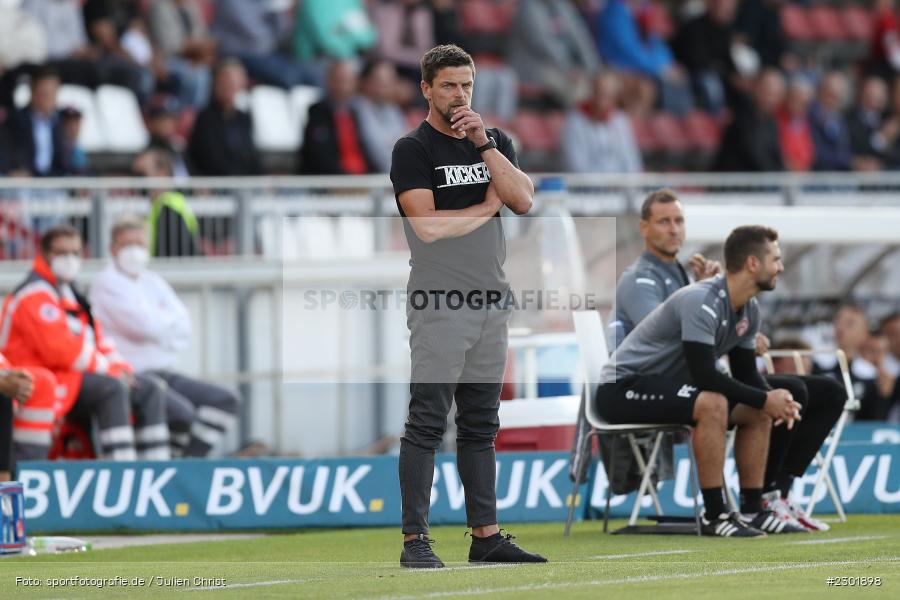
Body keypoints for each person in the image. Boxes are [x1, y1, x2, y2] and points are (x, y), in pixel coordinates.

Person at [390, 44, 544, 567]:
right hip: (440, 300)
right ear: (426, 89)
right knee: (427, 421)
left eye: (467, 85)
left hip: (490, 299)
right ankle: (415, 541)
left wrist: (483, 144)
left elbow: (523, 200)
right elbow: (429, 228)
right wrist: (484, 206)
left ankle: (486, 537)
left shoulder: (492, 141)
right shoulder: (413, 149)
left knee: (481, 424)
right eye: (449, 85)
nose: (460, 95)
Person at [608, 191, 842, 531]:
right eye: (776, 260)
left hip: (679, 382)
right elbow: (695, 363)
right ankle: (717, 513)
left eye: (679, 220)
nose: (781, 267)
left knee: (772, 403)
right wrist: (763, 396)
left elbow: (742, 371)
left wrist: (770, 400)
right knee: (718, 401)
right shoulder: (670, 288)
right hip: (627, 384)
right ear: (753, 264)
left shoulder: (741, 304)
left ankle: (758, 506)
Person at [0, 225, 170, 460]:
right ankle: (122, 468)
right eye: (62, 252)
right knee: (112, 388)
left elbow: (100, 339)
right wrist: (110, 371)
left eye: (75, 252)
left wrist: (120, 367)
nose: (69, 259)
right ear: (45, 254)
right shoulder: (34, 294)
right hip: (40, 377)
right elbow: (60, 351)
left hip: (70, 376)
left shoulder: (72, 293)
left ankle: (156, 467)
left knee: (149, 389)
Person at [90, 217, 240, 457]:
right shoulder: (106, 282)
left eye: (139, 244)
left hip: (165, 371)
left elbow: (184, 326)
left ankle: (187, 463)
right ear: (113, 248)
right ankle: (168, 464)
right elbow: (145, 327)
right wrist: (161, 325)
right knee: (182, 414)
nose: (134, 251)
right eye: (127, 244)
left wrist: (157, 327)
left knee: (225, 400)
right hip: (132, 375)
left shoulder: (152, 280)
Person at [814, 304, 892, 420]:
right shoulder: (817, 364)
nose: (840, 327)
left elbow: (875, 419)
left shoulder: (871, 375)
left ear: (864, 333)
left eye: (850, 323)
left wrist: (884, 395)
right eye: (838, 321)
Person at [299, 60, 377, 175]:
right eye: (339, 80)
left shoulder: (359, 112)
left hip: (364, 178)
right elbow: (320, 157)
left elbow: (370, 151)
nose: (343, 86)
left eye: (347, 81)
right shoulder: (317, 112)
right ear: (328, 81)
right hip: (334, 181)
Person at [187, 59, 262, 176]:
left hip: (243, 182)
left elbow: (251, 157)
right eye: (224, 81)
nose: (228, 86)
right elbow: (210, 161)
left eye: (233, 82)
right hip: (217, 183)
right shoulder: (205, 119)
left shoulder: (244, 118)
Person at [561, 70, 642, 173]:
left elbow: (631, 162)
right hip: (586, 182)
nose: (601, 102)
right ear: (591, 93)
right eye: (599, 94)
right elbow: (576, 166)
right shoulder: (575, 121)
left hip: (619, 182)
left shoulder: (620, 120)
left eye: (608, 96)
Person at [714, 68, 786, 172]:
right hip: (733, 179)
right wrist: (778, 174)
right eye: (767, 91)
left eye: (776, 93)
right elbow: (754, 154)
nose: (771, 98)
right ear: (756, 87)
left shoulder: (771, 120)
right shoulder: (742, 113)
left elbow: (775, 153)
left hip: (758, 178)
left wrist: (784, 172)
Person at [6, 68, 65, 176]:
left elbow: (65, 161)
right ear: (33, 93)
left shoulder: (60, 121)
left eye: (53, 93)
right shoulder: (15, 121)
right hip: (25, 181)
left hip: (54, 180)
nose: (50, 99)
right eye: (45, 94)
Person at [356, 60, 409, 173]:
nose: (389, 86)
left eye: (391, 80)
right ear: (365, 82)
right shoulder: (356, 110)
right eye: (382, 81)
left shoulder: (391, 107)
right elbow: (379, 154)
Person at [809, 72, 852, 171]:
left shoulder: (842, 118)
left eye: (837, 97)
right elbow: (817, 154)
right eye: (830, 95)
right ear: (820, 93)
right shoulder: (810, 117)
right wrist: (850, 160)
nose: (832, 101)